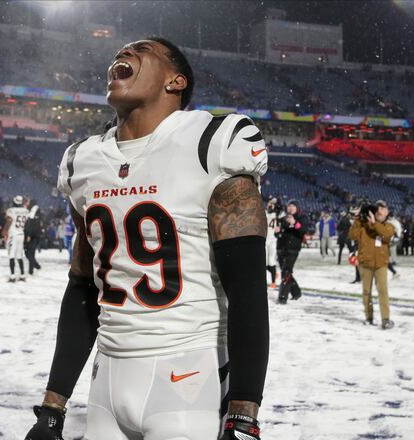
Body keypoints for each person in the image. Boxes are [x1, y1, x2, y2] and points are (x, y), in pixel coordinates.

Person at [25, 37, 269, 440]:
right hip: (107, 378)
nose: (123, 54)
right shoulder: (82, 161)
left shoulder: (211, 142)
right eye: (121, 51)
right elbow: (84, 287)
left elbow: (247, 292)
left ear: (175, 82)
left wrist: (243, 412)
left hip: (190, 373)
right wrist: (53, 405)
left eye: (141, 49)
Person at [348, 200, 395, 329]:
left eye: (383, 210)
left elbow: (386, 236)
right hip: (365, 263)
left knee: (383, 291)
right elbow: (352, 235)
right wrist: (358, 219)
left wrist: (374, 223)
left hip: (380, 264)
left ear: (387, 213)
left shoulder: (389, 226)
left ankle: (385, 319)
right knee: (366, 292)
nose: (380, 212)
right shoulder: (363, 225)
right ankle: (369, 318)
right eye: (378, 209)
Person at [276, 200, 307, 304]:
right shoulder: (283, 218)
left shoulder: (302, 218)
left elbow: (303, 230)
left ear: (297, 208)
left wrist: (295, 223)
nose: (290, 208)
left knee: (286, 272)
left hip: (293, 249)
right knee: (285, 271)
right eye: (289, 206)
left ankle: (282, 297)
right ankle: (296, 292)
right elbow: (279, 234)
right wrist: (278, 231)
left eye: (293, 206)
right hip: (281, 248)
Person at [4, 195, 29, 282]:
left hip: (13, 234)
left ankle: (12, 276)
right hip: (21, 233)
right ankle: (22, 274)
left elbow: (9, 221)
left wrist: (4, 231)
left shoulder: (11, 210)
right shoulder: (26, 211)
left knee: (11, 255)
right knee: (19, 255)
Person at [265, 198, 281, 288]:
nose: (270, 205)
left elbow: (281, 211)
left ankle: (273, 282)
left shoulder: (277, 214)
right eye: (269, 204)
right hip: (265, 240)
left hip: (273, 240)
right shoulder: (264, 213)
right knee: (264, 263)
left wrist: (275, 203)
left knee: (271, 261)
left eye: (272, 204)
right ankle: (274, 272)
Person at [24, 203, 43, 275]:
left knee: (29, 254)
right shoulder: (33, 215)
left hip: (32, 237)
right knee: (29, 254)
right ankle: (35, 266)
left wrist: (29, 235)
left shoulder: (34, 215)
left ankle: (31, 269)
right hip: (32, 236)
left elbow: (32, 227)